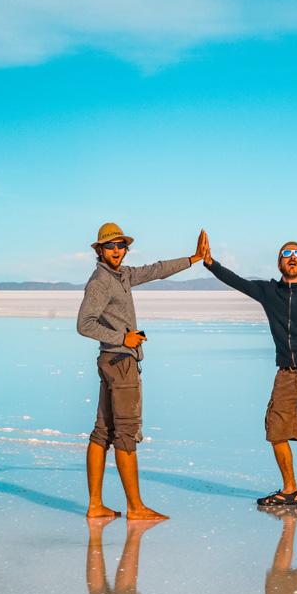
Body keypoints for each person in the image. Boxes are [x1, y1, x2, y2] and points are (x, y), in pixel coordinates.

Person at [78, 223, 208, 520]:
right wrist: (123, 339)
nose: (116, 250)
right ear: (99, 249)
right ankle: (136, 508)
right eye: (110, 246)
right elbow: (84, 323)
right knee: (125, 433)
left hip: (113, 361)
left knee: (103, 432)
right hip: (119, 362)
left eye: (120, 245)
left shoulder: (122, 275)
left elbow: (156, 270)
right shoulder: (101, 281)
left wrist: (193, 258)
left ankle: (96, 505)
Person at [204, 239, 297, 511]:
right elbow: (236, 280)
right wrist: (210, 263)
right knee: (275, 431)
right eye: (286, 254)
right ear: (279, 262)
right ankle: (290, 490)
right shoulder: (268, 291)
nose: (292, 258)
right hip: (285, 373)